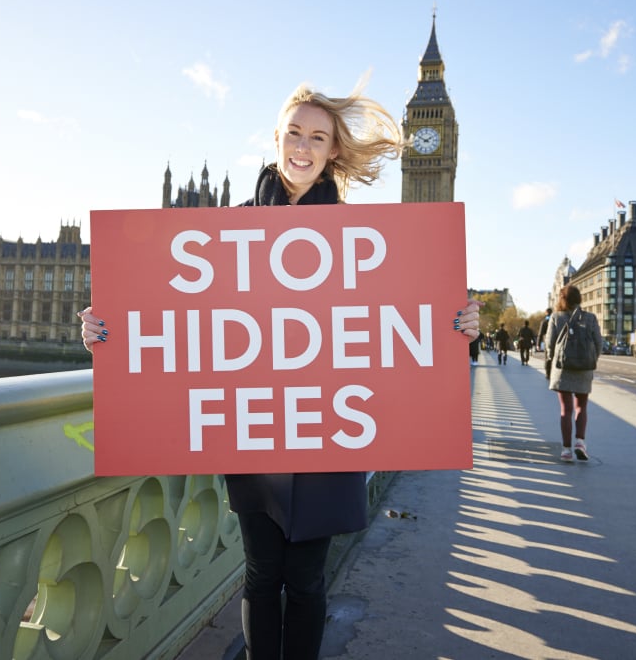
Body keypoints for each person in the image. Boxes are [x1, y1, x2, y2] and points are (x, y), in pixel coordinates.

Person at [80, 82, 477, 660]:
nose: (303, 146)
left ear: (332, 152)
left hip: (327, 429)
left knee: (309, 579)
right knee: (263, 573)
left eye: (318, 137)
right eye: (294, 132)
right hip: (255, 428)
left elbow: (402, 322)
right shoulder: (226, 230)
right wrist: (106, 331)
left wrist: (458, 326)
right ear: (275, 139)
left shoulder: (360, 238)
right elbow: (173, 322)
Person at [546, 286, 603, 462]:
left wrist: (552, 360)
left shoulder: (556, 317)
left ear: (562, 299)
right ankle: (580, 441)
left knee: (566, 410)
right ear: (579, 298)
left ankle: (566, 450)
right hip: (584, 369)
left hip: (563, 369)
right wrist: (589, 360)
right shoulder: (590, 318)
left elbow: (550, 345)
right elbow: (598, 344)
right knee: (581, 408)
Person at [538, 307, 554, 379]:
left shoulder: (544, 321)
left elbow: (540, 333)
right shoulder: (555, 319)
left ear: (546, 313)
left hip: (547, 341)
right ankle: (552, 372)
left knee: (547, 357)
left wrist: (538, 344)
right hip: (555, 341)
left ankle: (548, 374)